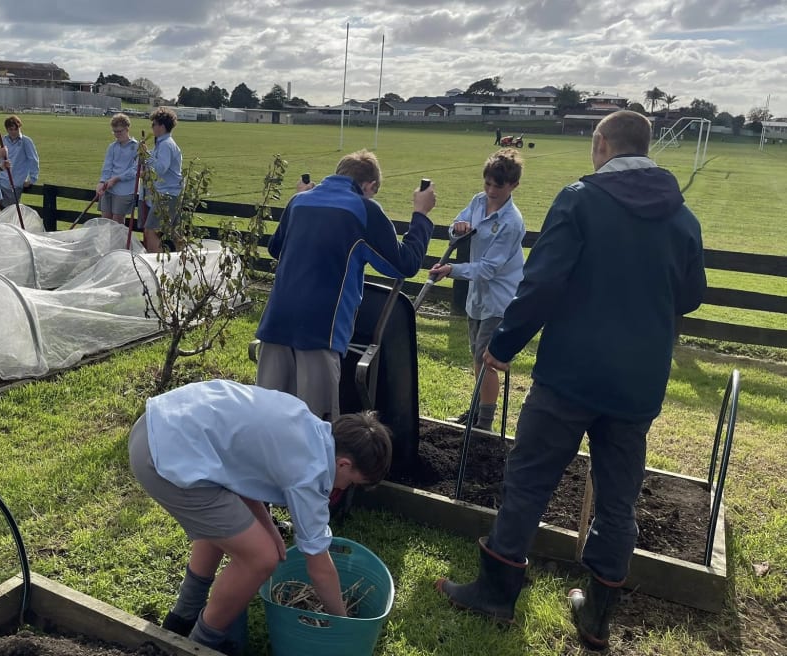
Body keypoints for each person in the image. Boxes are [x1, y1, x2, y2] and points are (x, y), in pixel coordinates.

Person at [435, 110, 706, 651]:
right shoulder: (683, 218)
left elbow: (540, 285)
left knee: (530, 479)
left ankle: (496, 590)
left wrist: (502, 346)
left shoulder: (579, 199)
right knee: (618, 498)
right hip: (636, 385)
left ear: (602, 144)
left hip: (570, 375)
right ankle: (597, 615)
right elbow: (691, 295)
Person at [128, 379, 393, 655]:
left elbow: (239, 475)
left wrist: (268, 527)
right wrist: (342, 622)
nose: (343, 487)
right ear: (343, 464)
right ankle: (200, 645)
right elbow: (319, 566)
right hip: (163, 458)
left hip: (155, 424)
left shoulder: (306, 424)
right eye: (351, 481)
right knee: (261, 558)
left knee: (232, 528)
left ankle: (181, 618)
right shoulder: (311, 472)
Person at [255, 149, 435, 421]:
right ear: (370, 186)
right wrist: (420, 214)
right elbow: (404, 265)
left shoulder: (298, 202)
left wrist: (304, 199)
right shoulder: (364, 209)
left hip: (274, 325)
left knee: (266, 418)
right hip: (320, 332)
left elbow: (275, 248)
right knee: (313, 426)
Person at [429, 149, 525, 431]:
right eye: (488, 183)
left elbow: (488, 269)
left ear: (513, 186)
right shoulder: (478, 201)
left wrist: (452, 270)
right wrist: (457, 229)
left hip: (499, 296)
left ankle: (483, 425)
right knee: (476, 356)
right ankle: (475, 412)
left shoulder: (511, 222)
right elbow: (455, 230)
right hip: (478, 296)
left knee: (487, 359)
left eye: (499, 185)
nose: (491, 190)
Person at [141, 106, 183, 252]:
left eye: (154, 124)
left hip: (166, 194)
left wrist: (147, 154)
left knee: (150, 230)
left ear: (162, 127)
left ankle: (158, 268)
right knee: (174, 232)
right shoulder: (163, 144)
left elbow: (160, 168)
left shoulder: (165, 145)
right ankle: (185, 264)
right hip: (172, 194)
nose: (152, 127)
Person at [96, 112, 139, 224]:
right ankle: (107, 242)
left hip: (125, 190)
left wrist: (117, 179)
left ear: (127, 129)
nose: (117, 134)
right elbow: (107, 167)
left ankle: (119, 242)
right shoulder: (112, 147)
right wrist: (102, 182)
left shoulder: (137, 147)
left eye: (120, 131)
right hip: (108, 188)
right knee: (105, 220)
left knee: (117, 221)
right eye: (115, 132)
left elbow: (135, 170)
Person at [0, 115, 40, 211]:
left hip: (15, 183)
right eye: (10, 129)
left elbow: (33, 160)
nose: (13, 132)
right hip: (1, 180)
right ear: (7, 129)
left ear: (19, 127)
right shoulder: (4, 140)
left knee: (9, 212)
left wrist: (32, 179)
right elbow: (0, 158)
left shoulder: (26, 141)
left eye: (15, 129)